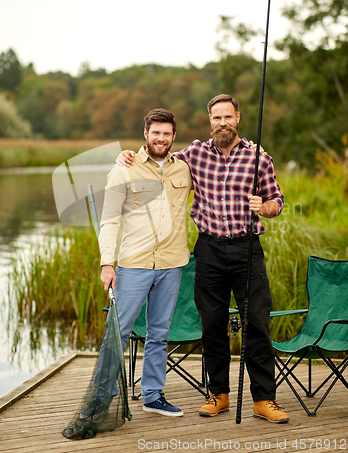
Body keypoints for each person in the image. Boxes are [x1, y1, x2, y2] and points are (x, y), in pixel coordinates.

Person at [118, 94, 289, 424]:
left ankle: (264, 398)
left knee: (257, 323)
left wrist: (263, 207)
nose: (222, 123)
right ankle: (219, 394)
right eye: (216, 118)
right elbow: (159, 159)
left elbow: (276, 202)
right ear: (209, 120)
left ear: (238, 117)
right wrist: (127, 156)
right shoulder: (193, 154)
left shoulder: (258, 157)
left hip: (247, 249)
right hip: (209, 249)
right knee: (212, 324)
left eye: (228, 116)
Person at [98, 107, 192, 417]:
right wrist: (106, 264)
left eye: (167, 134)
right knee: (119, 331)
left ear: (174, 136)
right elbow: (109, 220)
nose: (161, 138)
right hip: (133, 263)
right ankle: (103, 397)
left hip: (172, 264)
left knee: (159, 333)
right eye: (156, 133)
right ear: (146, 134)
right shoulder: (123, 169)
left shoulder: (185, 169)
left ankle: (153, 395)